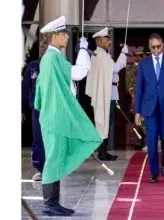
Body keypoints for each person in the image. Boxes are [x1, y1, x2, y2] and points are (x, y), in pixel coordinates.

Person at [34, 16, 102, 216]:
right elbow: (79, 73)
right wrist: (82, 51)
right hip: (56, 117)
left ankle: (52, 203)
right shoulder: (53, 58)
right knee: (54, 159)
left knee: (54, 158)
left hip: (53, 116)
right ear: (54, 35)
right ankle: (49, 204)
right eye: (63, 34)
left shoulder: (49, 58)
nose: (66, 37)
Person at [134, 33, 164, 183]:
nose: (156, 50)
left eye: (158, 46)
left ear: (163, 45)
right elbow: (139, 89)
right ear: (150, 47)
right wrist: (137, 111)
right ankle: (154, 172)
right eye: (153, 47)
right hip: (149, 109)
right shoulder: (144, 64)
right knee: (152, 140)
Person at [85, 27, 128, 161]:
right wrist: (123, 54)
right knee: (104, 122)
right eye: (107, 39)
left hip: (109, 92)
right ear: (99, 41)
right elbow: (115, 68)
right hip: (105, 94)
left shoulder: (103, 55)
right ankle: (102, 151)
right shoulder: (100, 56)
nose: (109, 42)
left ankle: (103, 150)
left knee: (106, 123)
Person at [22, 39, 48, 181]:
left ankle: (52, 168)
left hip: (53, 109)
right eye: (43, 48)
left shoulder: (54, 66)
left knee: (52, 139)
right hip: (37, 110)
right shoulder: (33, 67)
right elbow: (25, 88)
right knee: (38, 139)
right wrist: (21, 108)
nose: (44, 50)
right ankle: (40, 169)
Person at [125, 46, 147, 150]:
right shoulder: (131, 67)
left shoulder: (147, 65)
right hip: (135, 97)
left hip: (145, 97)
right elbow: (128, 82)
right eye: (136, 56)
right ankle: (138, 142)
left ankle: (147, 142)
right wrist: (131, 90)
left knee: (145, 120)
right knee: (136, 120)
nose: (138, 58)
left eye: (140, 55)